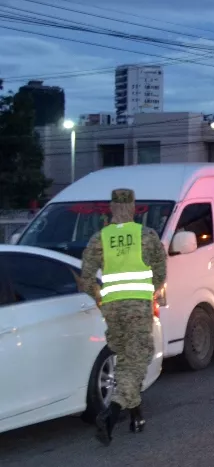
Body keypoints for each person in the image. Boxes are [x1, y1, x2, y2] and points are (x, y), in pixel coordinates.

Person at [80, 189, 167, 446]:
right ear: (132, 208)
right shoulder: (146, 236)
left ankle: (136, 417)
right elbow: (160, 273)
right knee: (137, 359)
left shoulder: (100, 238)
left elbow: (86, 278)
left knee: (125, 359)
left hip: (112, 309)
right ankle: (111, 414)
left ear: (111, 208)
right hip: (137, 308)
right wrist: (150, 291)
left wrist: (100, 299)